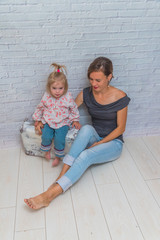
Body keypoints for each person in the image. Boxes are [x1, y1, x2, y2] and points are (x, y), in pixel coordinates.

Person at [24, 56, 130, 209]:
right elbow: (63, 110)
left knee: (85, 155)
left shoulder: (120, 97)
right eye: (91, 79)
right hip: (95, 135)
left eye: (98, 80)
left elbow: (121, 129)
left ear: (109, 77)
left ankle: (50, 194)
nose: (94, 84)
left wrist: (98, 144)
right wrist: (41, 120)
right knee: (86, 128)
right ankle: (60, 179)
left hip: (113, 143)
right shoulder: (86, 93)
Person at [32, 63, 80, 166]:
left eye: (60, 88)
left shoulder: (67, 97)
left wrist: (75, 119)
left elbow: (73, 108)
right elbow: (40, 108)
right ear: (49, 87)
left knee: (59, 139)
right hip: (49, 121)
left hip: (63, 122)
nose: (57, 91)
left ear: (65, 87)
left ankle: (58, 157)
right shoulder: (47, 96)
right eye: (54, 88)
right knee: (46, 136)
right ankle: (47, 151)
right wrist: (38, 119)